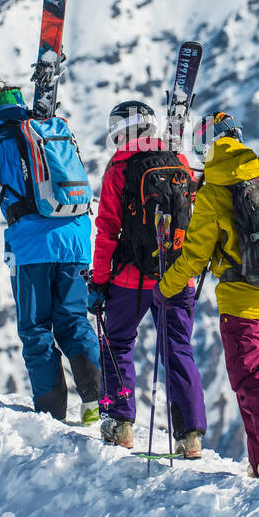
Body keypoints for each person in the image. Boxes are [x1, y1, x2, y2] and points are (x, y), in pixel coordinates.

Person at [0, 81, 101, 422]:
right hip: (77, 240)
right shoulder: (51, 132)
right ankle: (96, 401)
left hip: (32, 248)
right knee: (73, 320)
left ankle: (52, 413)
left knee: (36, 327)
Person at [155, 112, 259, 477]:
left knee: (249, 378)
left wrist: (165, 289)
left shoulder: (212, 192)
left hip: (242, 301)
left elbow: (195, 255)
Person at [88, 100, 207, 458]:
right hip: (177, 275)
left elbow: (108, 229)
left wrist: (99, 279)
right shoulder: (181, 163)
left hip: (129, 279)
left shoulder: (119, 168)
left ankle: (121, 423)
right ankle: (190, 437)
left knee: (118, 343)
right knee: (178, 350)